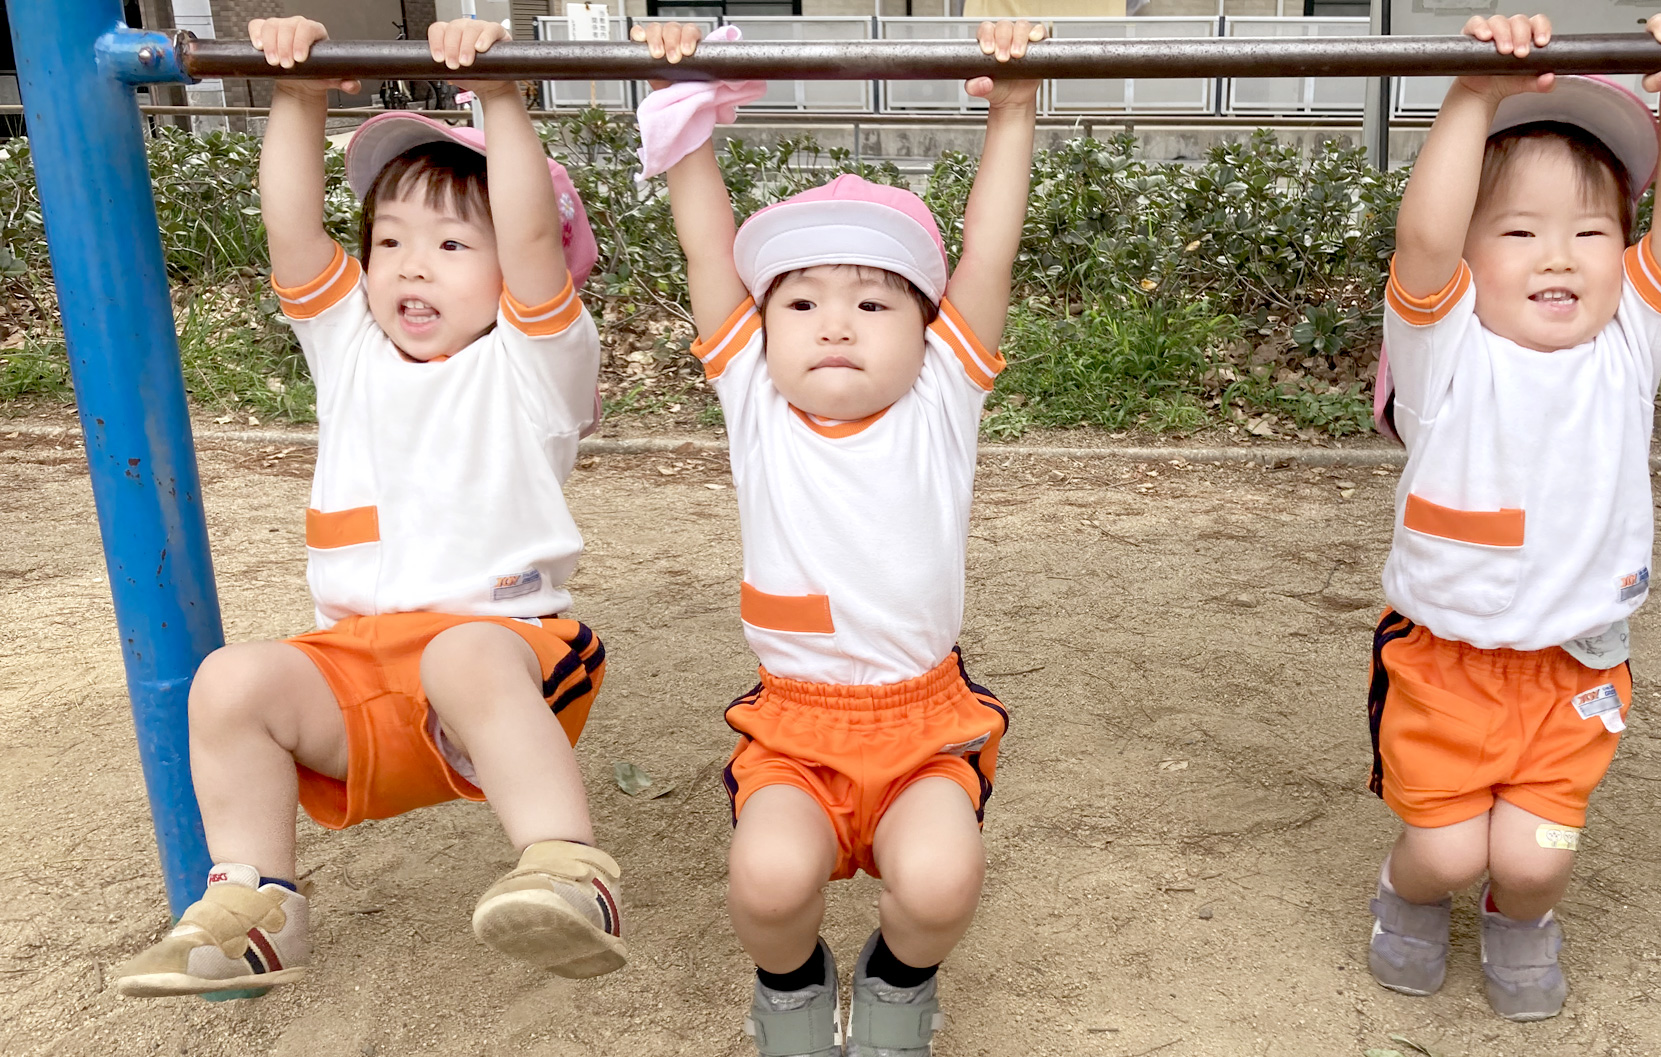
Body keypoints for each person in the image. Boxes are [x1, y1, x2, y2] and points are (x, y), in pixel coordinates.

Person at [113, 17, 620, 997]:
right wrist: (298, 90)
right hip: (363, 679)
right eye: (388, 240)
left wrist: (500, 90)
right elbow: (293, 232)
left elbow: (525, 238)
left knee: (461, 652)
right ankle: (257, 903)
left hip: (508, 657)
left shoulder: (534, 365)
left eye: (447, 243)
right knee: (230, 683)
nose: (409, 265)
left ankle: (568, 869)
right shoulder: (350, 352)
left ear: (520, 268)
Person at [632, 18, 1042, 1056]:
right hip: (795, 725)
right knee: (767, 881)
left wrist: (1014, 107)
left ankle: (900, 981)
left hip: (921, 717)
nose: (835, 323)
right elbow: (701, 245)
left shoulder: (942, 399)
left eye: (873, 300)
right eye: (801, 300)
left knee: (942, 879)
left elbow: (988, 248)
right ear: (759, 333)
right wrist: (677, 100)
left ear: (929, 329)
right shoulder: (754, 402)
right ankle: (792, 987)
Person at [1361, 10, 1661, 1021]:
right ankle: (1409, 885)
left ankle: (1520, 913)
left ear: (1621, 252)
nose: (1557, 256)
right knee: (1441, 848)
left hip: (1575, 667)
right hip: (1445, 663)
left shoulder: (1629, 345)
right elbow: (1421, 236)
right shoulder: (1449, 353)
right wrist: (1472, 95)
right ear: (1473, 260)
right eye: (1518, 231)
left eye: (1589, 231)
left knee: (1530, 862)